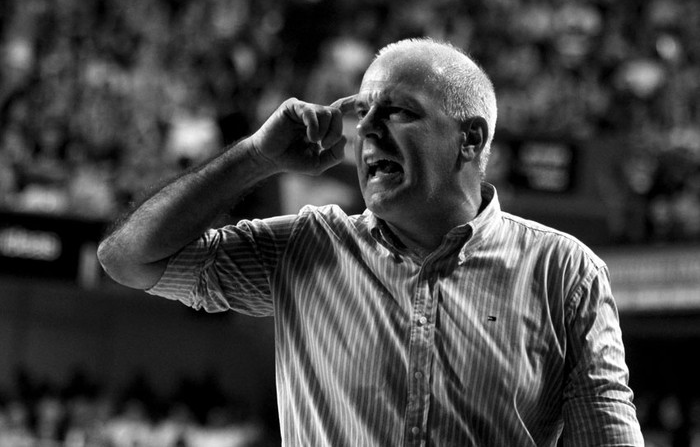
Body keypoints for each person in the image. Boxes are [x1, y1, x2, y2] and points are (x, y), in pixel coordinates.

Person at [97, 38, 643, 446]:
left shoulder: (566, 272)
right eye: (364, 112)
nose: (368, 130)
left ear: (470, 139)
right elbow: (127, 258)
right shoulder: (308, 246)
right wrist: (257, 158)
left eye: (398, 111)